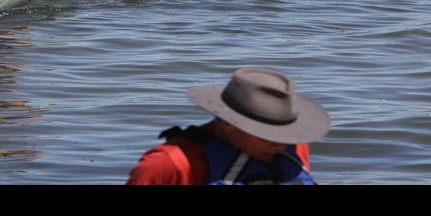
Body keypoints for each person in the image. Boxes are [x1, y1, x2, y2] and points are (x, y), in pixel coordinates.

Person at [127, 67, 329, 185]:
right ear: (227, 123)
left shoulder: (293, 146)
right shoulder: (168, 165)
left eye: (285, 135)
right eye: (267, 135)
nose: (281, 146)